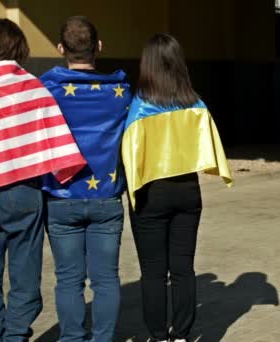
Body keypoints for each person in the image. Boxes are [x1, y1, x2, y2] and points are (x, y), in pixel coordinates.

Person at [0, 19, 86, 342]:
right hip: (21, 193)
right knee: (25, 280)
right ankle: (14, 336)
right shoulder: (30, 85)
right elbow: (55, 137)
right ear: (19, 47)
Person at [121, 33, 233, 342]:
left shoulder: (140, 106)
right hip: (187, 193)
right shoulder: (195, 104)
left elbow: (130, 153)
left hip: (150, 195)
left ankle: (158, 336)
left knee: (154, 272)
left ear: (147, 65)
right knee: (183, 268)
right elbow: (210, 145)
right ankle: (182, 335)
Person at [39, 16, 131, 342]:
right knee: (106, 280)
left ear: (61, 48)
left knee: (68, 281)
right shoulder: (121, 93)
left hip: (60, 197)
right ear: (99, 46)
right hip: (106, 197)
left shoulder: (45, 90)